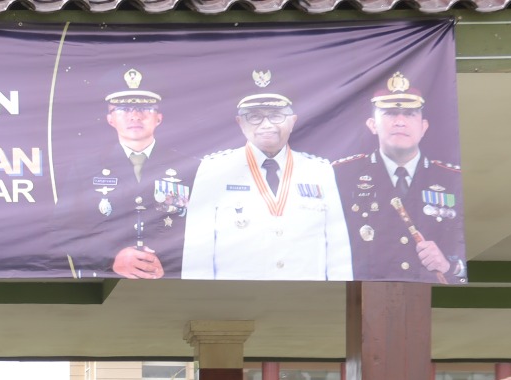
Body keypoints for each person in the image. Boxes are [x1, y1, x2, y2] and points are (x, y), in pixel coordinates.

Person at [183, 71, 352, 281]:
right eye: (254, 116)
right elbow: (197, 253)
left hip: (306, 297)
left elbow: (338, 251)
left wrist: (337, 296)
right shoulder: (214, 170)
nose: (266, 125)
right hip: (236, 298)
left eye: (276, 115)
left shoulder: (319, 171)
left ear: (293, 121)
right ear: (240, 123)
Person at [334, 72, 466, 283]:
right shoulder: (341, 175)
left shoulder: (452, 179)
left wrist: (451, 266)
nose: (400, 122)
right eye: (390, 113)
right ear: (372, 125)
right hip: (362, 293)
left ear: (423, 127)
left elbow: (468, 245)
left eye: (410, 114)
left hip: (431, 295)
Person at [68, 68, 190, 281]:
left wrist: (167, 263)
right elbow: (64, 230)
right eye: (123, 109)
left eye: (144, 108)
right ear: (110, 119)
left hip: (170, 281)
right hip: (106, 281)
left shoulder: (188, 166)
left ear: (158, 118)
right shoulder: (84, 169)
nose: (135, 115)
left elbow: (204, 227)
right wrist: (110, 257)